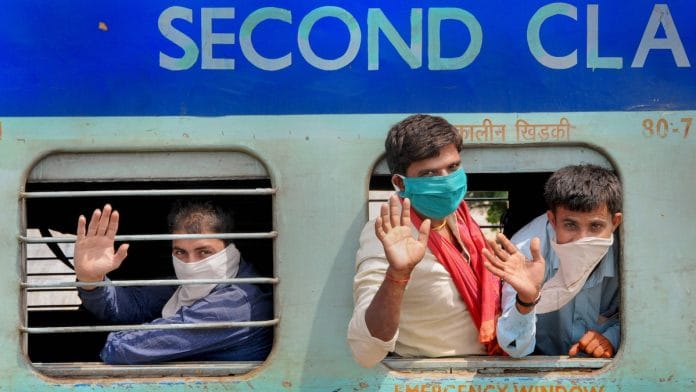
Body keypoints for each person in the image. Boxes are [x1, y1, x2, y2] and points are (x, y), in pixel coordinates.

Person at [347, 114, 544, 368]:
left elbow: (514, 338)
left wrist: (526, 299)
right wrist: (398, 274)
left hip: (490, 375)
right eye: (429, 173)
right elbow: (365, 351)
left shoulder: (461, 220)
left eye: (452, 168)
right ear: (399, 182)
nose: (446, 181)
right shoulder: (387, 236)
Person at [75, 200, 273, 364]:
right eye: (180, 252)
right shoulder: (188, 287)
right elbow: (128, 305)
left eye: (204, 252)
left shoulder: (236, 304)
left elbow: (122, 350)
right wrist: (91, 279)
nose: (191, 265)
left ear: (231, 248)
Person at [487, 164, 621, 358]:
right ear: (552, 220)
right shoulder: (524, 253)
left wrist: (612, 337)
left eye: (595, 226)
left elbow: (645, 314)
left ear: (615, 223)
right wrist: (525, 301)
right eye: (570, 225)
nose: (582, 239)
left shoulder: (630, 253)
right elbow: (514, 347)